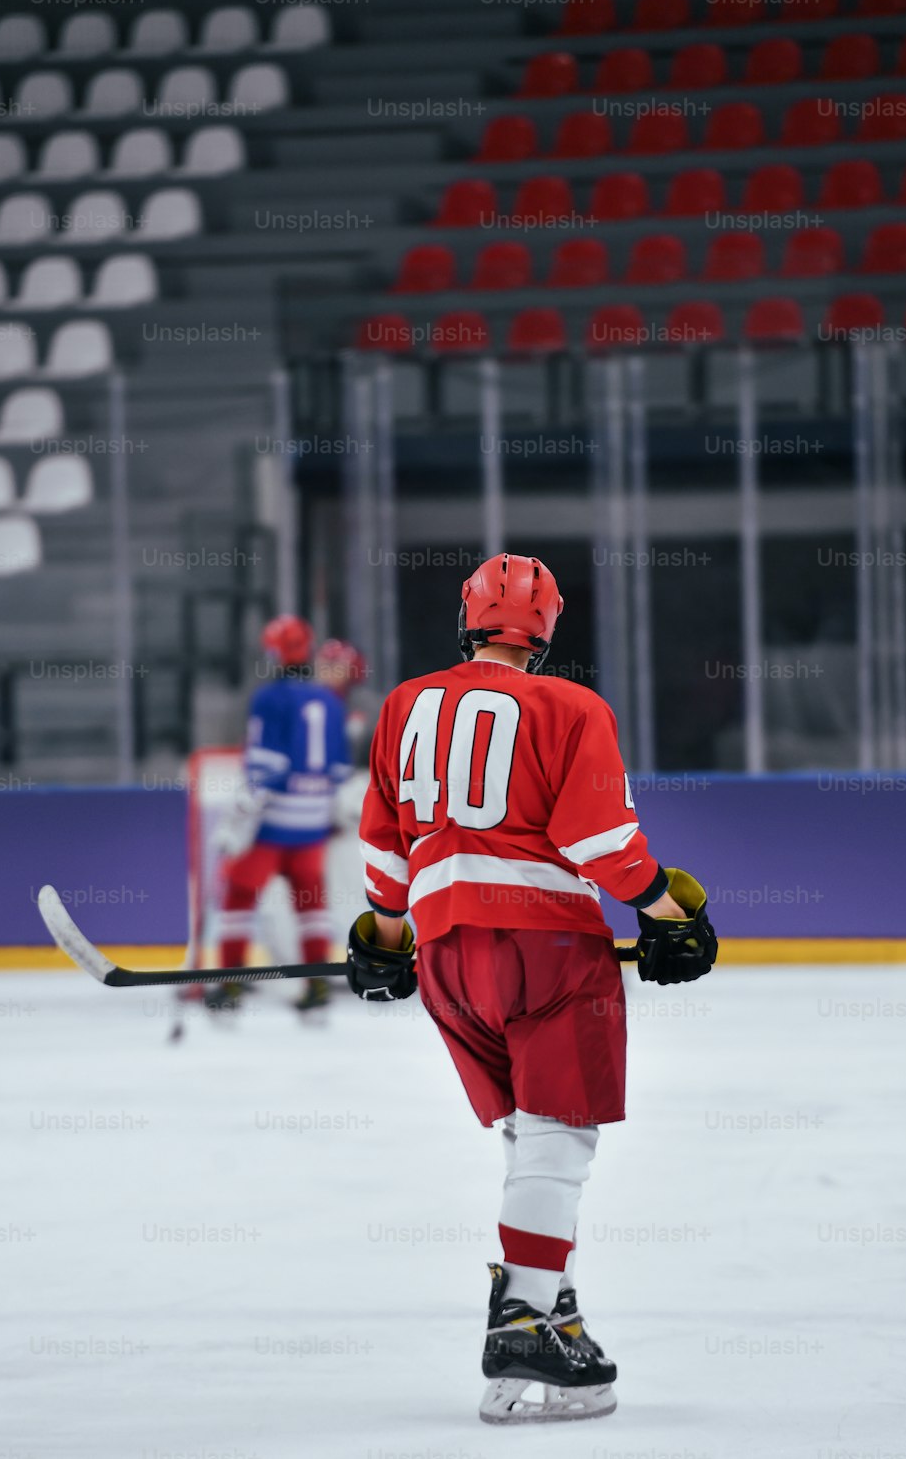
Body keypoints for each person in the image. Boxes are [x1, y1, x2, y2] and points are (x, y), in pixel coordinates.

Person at [347, 553, 717, 1423]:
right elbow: (597, 840)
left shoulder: (404, 703)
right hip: (547, 946)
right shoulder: (572, 705)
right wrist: (670, 914)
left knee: (529, 1138)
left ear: (468, 615)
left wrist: (387, 946)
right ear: (546, 626)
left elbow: (383, 846)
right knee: (559, 1138)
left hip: (444, 951)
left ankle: (553, 1312)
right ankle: (522, 1316)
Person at [211, 615, 350, 1012]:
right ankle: (316, 985)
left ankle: (230, 982)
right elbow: (339, 770)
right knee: (311, 904)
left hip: (273, 824)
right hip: (313, 824)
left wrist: (237, 819)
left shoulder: (268, 698)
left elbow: (264, 767)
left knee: (238, 896)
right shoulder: (329, 699)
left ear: (274, 652)